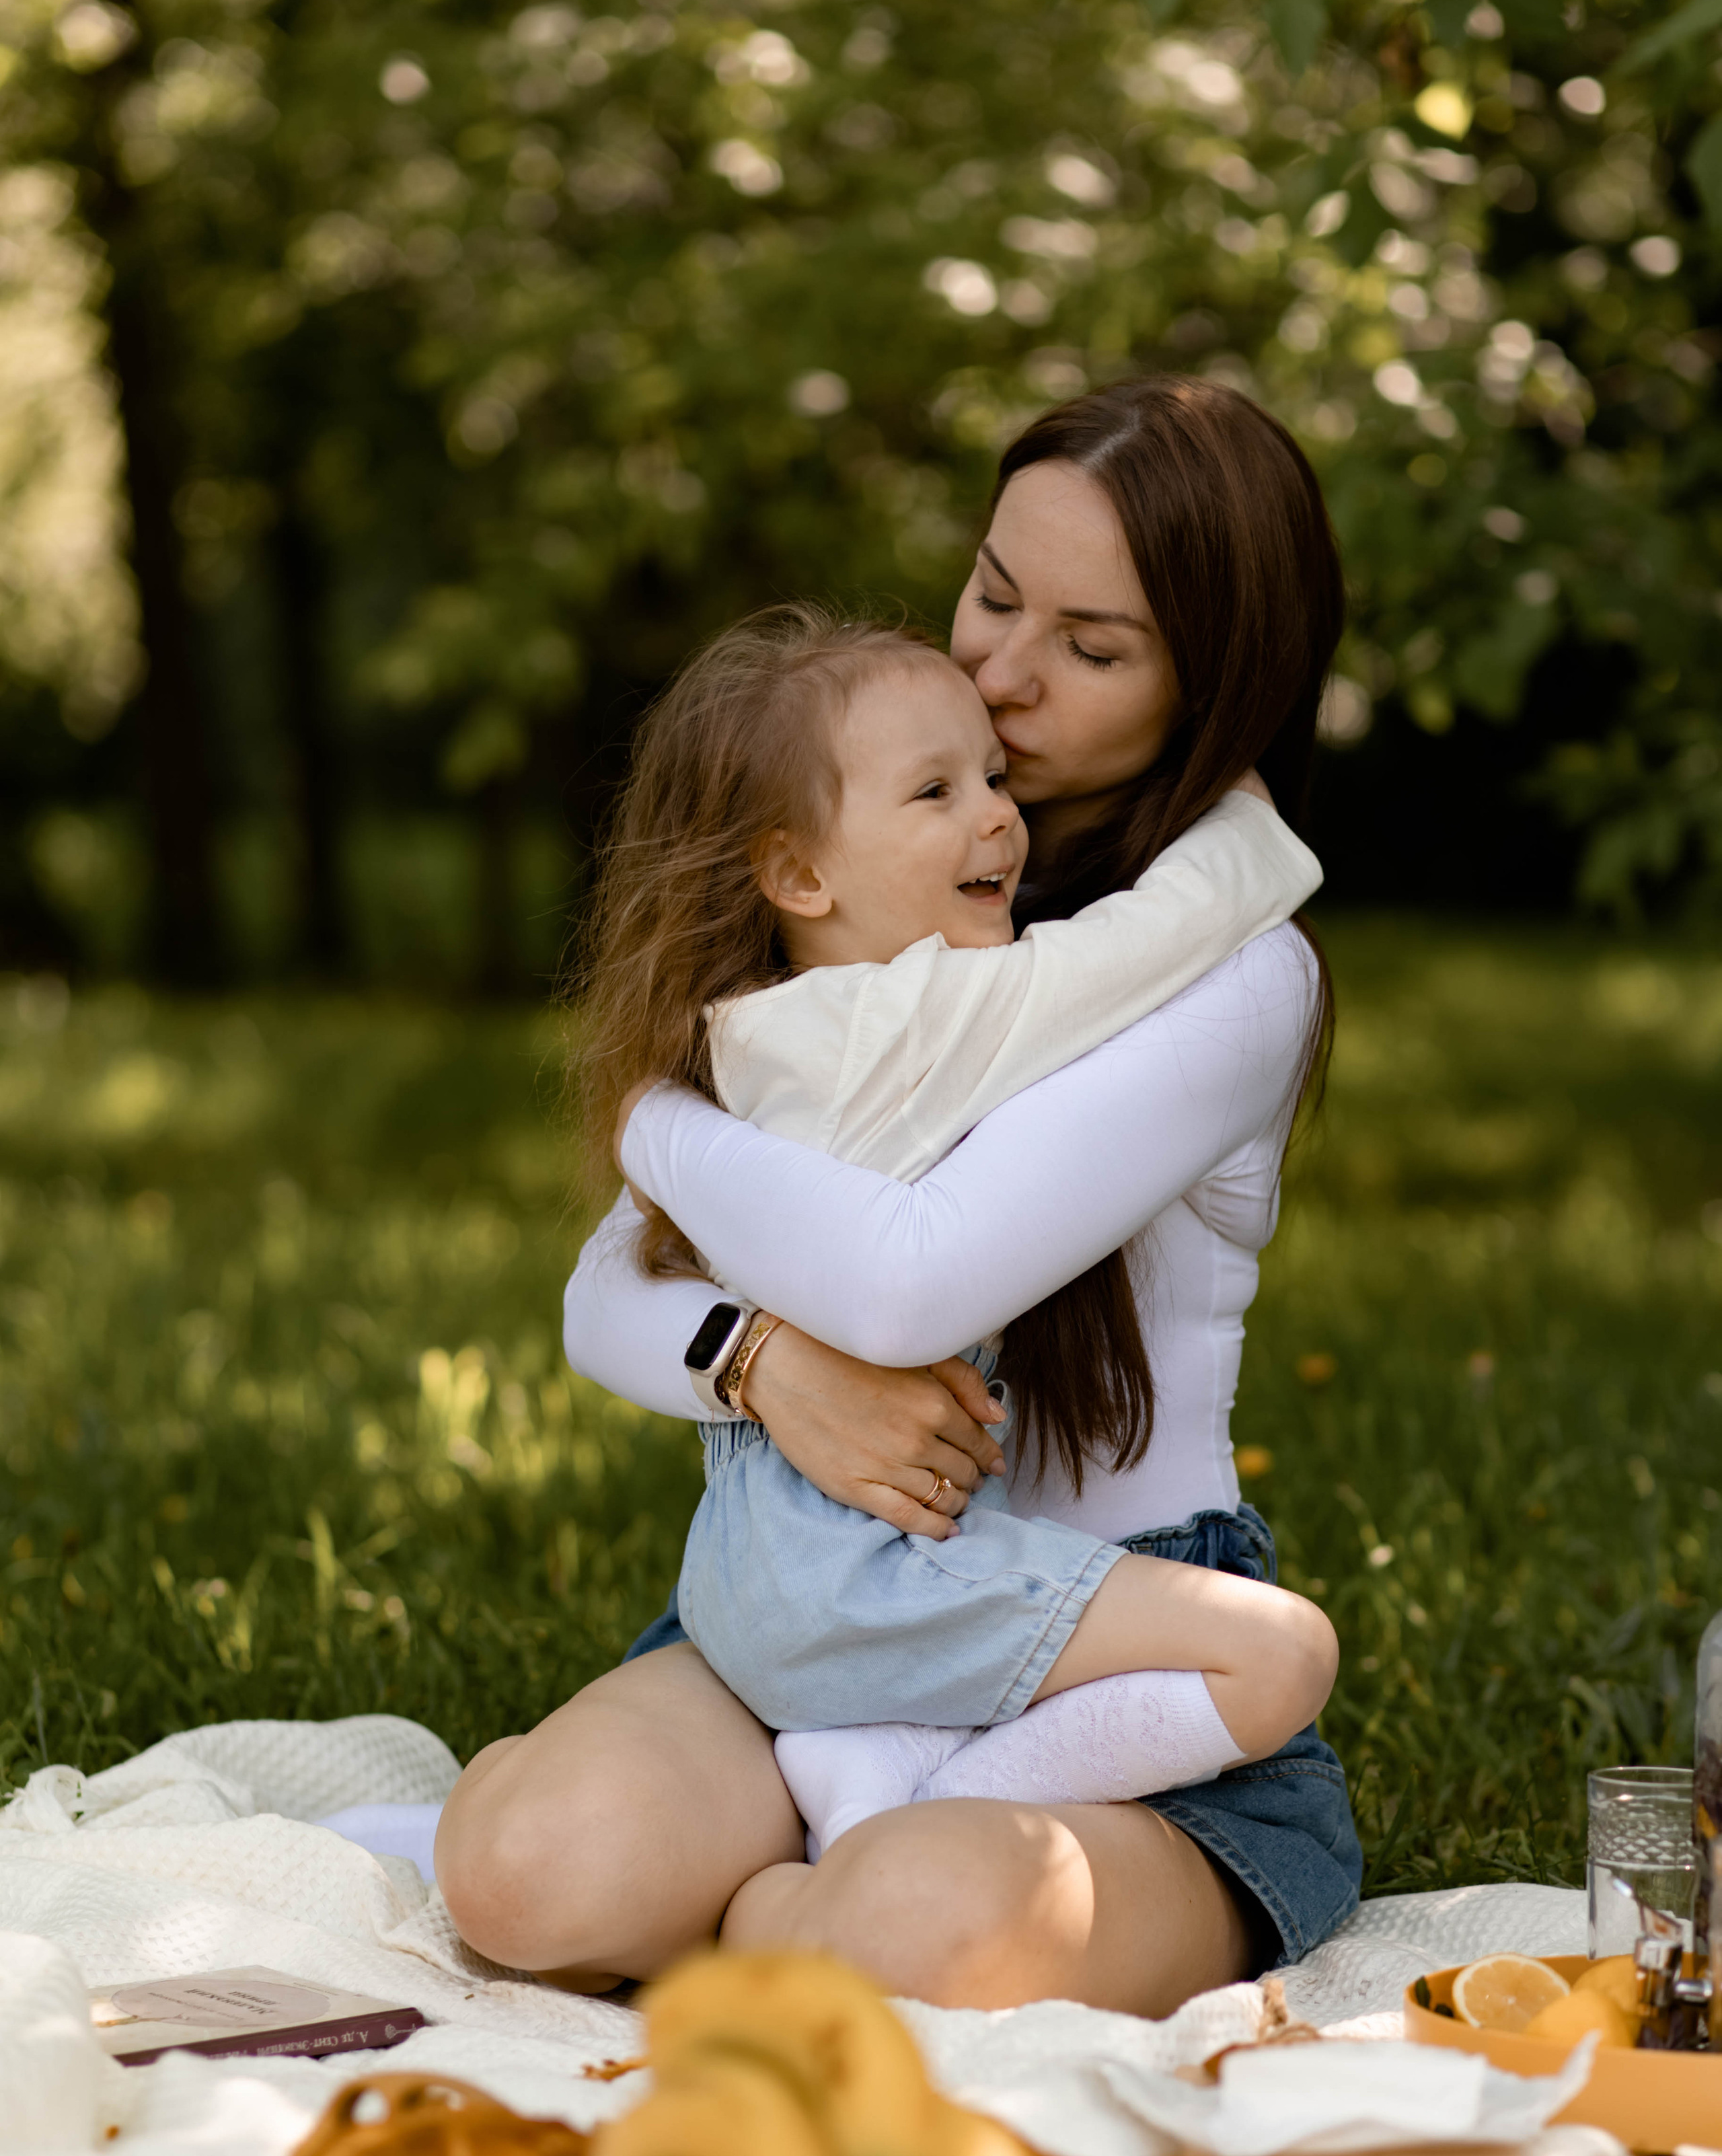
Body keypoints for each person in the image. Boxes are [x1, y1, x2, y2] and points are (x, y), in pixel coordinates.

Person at [436, 375, 1365, 2019]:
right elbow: (606, 1291)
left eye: (1090, 647)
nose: (1002, 673)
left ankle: (792, 1903)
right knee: (525, 1874)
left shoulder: (1229, 974)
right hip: (852, 1611)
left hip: (1106, 1654)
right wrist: (757, 1363)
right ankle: (792, 1877)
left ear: (1212, 682)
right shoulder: (878, 897)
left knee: (922, 1931)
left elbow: (907, 1287)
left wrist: (647, 1106)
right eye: (993, 595)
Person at [573, 601, 1334, 1855]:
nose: (996, 816)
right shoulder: (923, 1020)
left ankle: (855, 1825)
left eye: (991, 776)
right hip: (876, 1578)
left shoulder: (757, 1029)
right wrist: (1241, 813)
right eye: (938, 792)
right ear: (798, 874)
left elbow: (619, 1277)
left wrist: (648, 1115)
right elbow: (1145, 945)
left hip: (760, 1573)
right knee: (1282, 1654)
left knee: (812, 1870)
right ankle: (917, 1829)